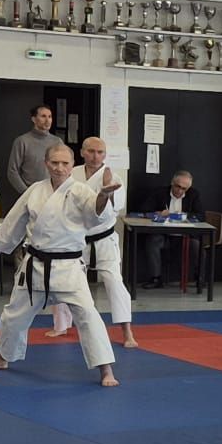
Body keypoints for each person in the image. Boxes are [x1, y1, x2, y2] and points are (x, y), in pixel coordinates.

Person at [0, 141, 121, 387]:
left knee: (88, 316)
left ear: (72, 165)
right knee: (13, 315)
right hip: (35, 264)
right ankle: (2, 358)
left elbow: (96, 214)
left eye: (64, 163)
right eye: (54, 162)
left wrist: (104, 195)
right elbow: (16, 218)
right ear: (46, 164)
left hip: (68, 268)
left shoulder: (81, 191)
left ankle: (106, 369)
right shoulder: (35, 190)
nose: (59, 168)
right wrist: (0, 244)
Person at [47, 137, 137, 350]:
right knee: (62, 279)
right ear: (82, 152)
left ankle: (127, 331)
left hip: (104, 238)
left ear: (105, 155)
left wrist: (108, 189)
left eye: (100, 152)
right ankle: (61, 324)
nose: (96, 156)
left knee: (114, 281)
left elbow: (117, 208)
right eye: (91, 151)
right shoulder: (72, 173)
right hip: (75, 239)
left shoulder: (113, 176)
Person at [139, 169, 206, 287]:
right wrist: (158, 213)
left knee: (197, 247)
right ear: (172, 183)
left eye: (184, 188)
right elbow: (144, 210)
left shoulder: (193, 195)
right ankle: (156, 279)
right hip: (164, 235)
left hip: (185, 237)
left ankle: (199, 278)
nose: (180, 191)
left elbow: (201, 216)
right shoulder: (160, 193)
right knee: (152, 242)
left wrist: (184, 216)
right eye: (177, 186)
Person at [5, 104, 61, 198]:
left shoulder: (57, 142)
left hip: (53, 194)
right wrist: (26, 193)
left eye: (50, 116)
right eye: (43, 116)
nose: (47, 120)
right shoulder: (22, 141)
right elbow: (12, 171)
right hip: (30, 193)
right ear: (34, 119)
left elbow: (64, 167)